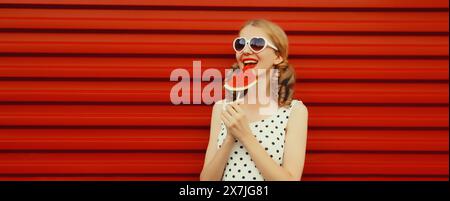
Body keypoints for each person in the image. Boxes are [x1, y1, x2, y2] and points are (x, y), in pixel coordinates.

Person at [200, 19, 308, 181]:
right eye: (240, 44)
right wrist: (230, 138)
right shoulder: (222, 108)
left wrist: (245, 135)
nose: (246, 50)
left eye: (257, 44)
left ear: (278, 56)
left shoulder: (294, 111)